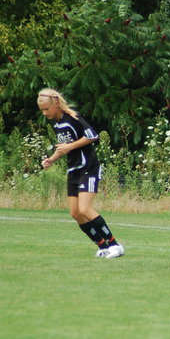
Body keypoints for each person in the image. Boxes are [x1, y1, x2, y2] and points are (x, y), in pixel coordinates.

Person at [37, 88, 124, 259]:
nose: (44, 113)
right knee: (75, 213)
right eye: (42, 110)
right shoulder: (57, 124)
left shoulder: (73, 117)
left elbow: (92, 135)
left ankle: (115, 245)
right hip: (73, 170)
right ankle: (102, 246)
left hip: (88, 168)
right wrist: (51, 159)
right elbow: (64, 147)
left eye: (46, 109)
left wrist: (69, 146)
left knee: (85, 209)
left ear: (56, 103)